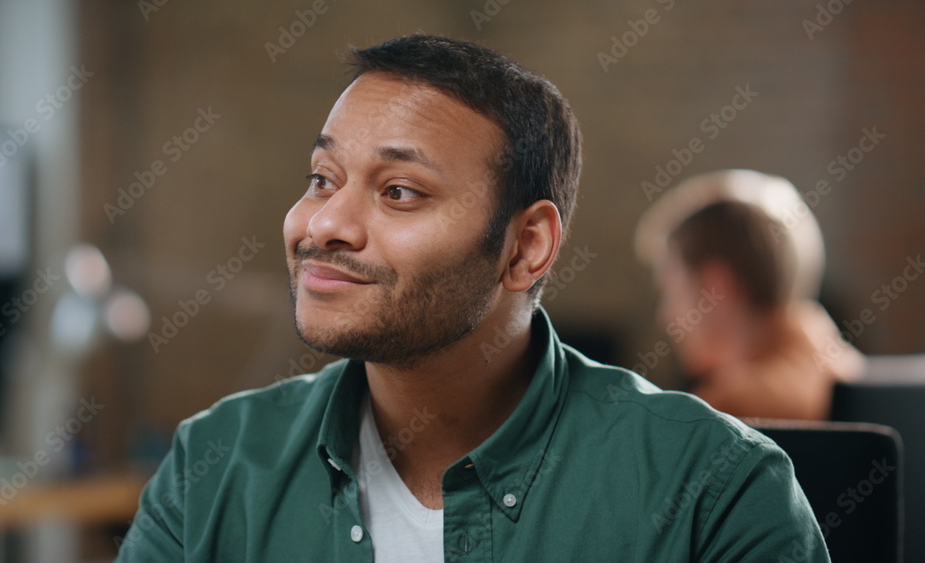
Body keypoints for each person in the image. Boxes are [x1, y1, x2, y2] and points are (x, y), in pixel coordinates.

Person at [118, 37, 827, 562]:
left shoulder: (714, 489)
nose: (325, 223)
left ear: (525, 247)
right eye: (322, 177)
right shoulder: (211, 466)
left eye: (399, 191)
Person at [634, 169, 864, 420]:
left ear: (716, 287)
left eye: (671, 292)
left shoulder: (727, 411)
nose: (665, 317)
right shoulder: (851, 373)